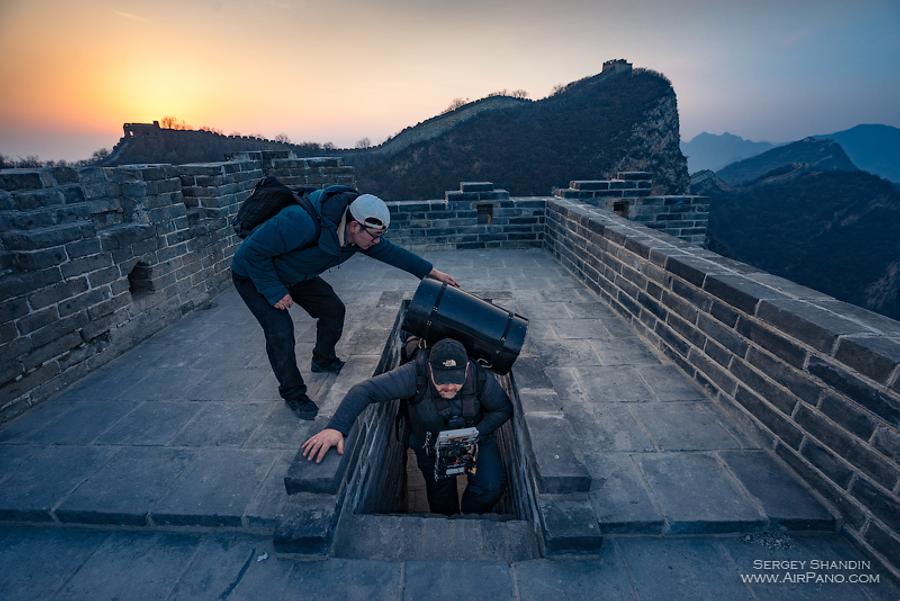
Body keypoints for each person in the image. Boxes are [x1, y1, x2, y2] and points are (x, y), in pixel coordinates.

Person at [231, 190, 457, 420]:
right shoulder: (300, 222)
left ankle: (323, 359)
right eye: (374, 236)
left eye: (380, 235)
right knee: (280, 332)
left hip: (295, 273)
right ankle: (293, 394)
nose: (377, 241)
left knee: (333, 309)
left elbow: (391, 252)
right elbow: (252, 252)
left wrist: (431, 272)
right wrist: (274, 291)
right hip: (253, 274)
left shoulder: (359, 236)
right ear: (354, 226)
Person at [302, 338, 513, 516]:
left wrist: (476, 433)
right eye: (442, 380)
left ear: (466, 368)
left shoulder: (478, 376)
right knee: (441, 498)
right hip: (431, 445)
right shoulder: (414, 374)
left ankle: (469, 515)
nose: (449, 387)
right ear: (430, 368)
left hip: (474, 437)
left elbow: (503, 409)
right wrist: (336, 427)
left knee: (490, 487)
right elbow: (365, 390)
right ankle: (450, 521)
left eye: (455, 380)